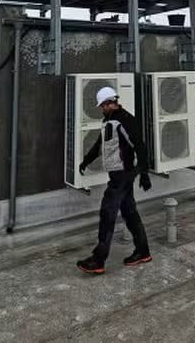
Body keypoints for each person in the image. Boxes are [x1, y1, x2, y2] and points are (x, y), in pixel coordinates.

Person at [76, 86, 153, 274]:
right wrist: (86, 160)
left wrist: (144, 172)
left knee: (107, 213)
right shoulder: (109, 121)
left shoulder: (125, 120)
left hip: (123, 174)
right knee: (129, 213)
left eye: (103, 105)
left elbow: (140, 145)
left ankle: (98, 259)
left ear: (110, 103)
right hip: (119, 174)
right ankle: (143, 252)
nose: (101, 109)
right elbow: (100, 144)